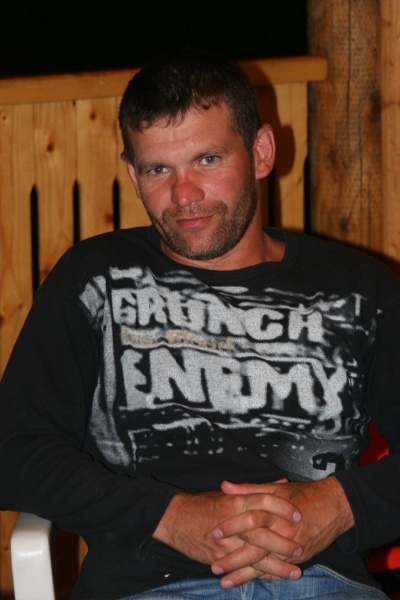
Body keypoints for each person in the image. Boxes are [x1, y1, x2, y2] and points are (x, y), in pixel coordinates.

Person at [0, 49, 399, 600]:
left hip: (322, 584)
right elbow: (15, 449)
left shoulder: (358, 289)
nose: (183, 196)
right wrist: (168, 516)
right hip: (150, 587)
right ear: (132, 174)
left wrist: (339, 504)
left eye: (207, 160)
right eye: (158, 169)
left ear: (261, 152)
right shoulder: (95, 280)